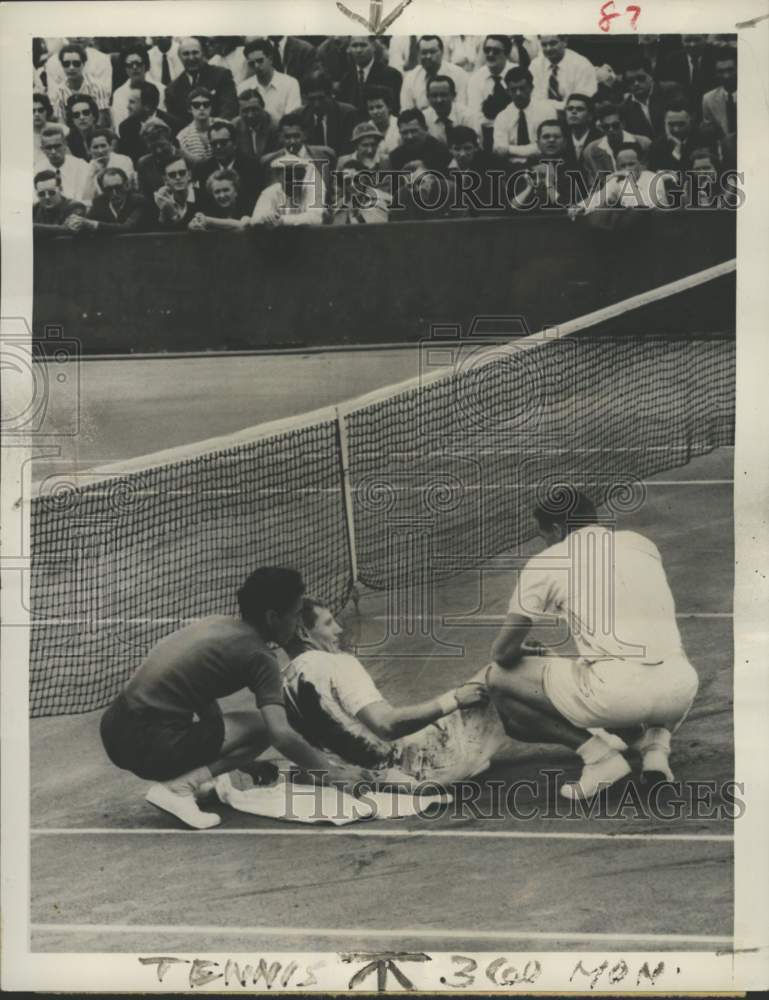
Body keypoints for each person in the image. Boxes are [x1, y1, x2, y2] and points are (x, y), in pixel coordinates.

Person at [100, 568, 361, 829]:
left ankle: (194, 780)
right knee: (264, 726)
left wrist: (244, 763)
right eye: (294, 616)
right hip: (149, 744)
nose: (296, 625)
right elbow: (280, 733)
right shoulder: (259, 656)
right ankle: (179, 788)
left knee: (252, 727)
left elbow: (199, 695)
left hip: (116, 731)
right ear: (272, 617)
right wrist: (331, 773)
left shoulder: (219, 625)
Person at [487, 488, 698, 799]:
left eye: (544, 535)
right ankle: (655, 751)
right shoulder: (643, 545)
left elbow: (502, 653)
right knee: (663, 644)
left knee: (498, 677)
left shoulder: (545, 562)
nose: (544, 542)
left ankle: (600, 759)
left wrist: (529, 655)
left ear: (557, 530)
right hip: (680, 690)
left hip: (615, 695)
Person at [283, 598, 505, 785]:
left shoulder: (282, 682)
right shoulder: (337, 664)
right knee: (498, 673)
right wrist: (454, 700)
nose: (338, 629)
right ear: (304, 632)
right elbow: (386, 726)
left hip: (360, 778)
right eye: (328, 623)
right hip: (421, 767)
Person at [570, 142, 670, 217]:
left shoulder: (653, 178)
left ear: (640, 164)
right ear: (617, 167)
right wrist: (579, 207)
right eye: (623, 166)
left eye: (631, 164)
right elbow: (597, 199)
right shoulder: (617, 180)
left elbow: (644, 206)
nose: (627, 169)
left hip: (657, 227)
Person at [492, 66, 559, 167]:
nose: (518, 93)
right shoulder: (502, 117)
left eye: (522, 88)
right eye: (513, 90)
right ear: (507, 91)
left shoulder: (547, 110)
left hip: (542, 164)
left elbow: (545, 148)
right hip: (511, 168)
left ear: (531, 88)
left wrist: (509, 149)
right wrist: (532, 149)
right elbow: (500, 150)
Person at [165, 36, 238, 124]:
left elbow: (229, 109)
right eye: (186, 54)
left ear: (203, 54)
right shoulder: (172, 89)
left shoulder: (221, 75)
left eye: (195, 53)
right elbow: (175, 122)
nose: (191, 58)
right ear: (179, 57)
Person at [193, 119, 261, 210]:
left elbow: (254, 199)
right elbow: (205, 202)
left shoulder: (252, 166)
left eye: (223, 142)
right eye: (214, 143)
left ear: (235, 143)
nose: (218, 147)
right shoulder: (204, 169)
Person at [447, 125, 510, 217]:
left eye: (467, 148)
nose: (462, 154)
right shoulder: (444, 171)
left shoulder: (488, 173)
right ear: (450, 150)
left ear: (476, 148)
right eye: (457, 148)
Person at [582, 103, 651, 185]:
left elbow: (649, 177)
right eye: (606, 127)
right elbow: (593, 186)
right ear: (600, 127)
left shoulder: (643, 144)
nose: (611, 130)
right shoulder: (591, 151)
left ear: (623, 124)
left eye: (615, 125)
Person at [466, 35, 518, 145]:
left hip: (516, 128)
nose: (490, 54)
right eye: (487, 50)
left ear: (507, 54)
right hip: (488, 133)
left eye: (496, 51)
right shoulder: (476, 79)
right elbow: (476, 116)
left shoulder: (518, 72)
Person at [237, 39, 303, 125]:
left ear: (270, 59)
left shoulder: (290, 84)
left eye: (260, 61)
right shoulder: (243, 87)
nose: (256, 66)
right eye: (252, 63)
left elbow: (292, 118)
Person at [251, 154, 325, 227]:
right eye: (289, 177)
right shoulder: (270, 192)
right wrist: (266, 218)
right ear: (278, 177)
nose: (295, 181)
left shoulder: (310, 190)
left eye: (299, 176)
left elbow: (316, 218)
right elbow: (255, 219)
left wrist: (282, 220)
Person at [297, 70, 360, 156]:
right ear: (304, 98)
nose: (316, 104)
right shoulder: (299, 116)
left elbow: (348, 152)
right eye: (311, 99)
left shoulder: (347, 114)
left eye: (321, 98)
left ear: (331, 95)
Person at [400, 35, 469, 111]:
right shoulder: (410, 78)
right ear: (418, 55)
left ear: (442, 52)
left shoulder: (459, 75)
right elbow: (406, 111)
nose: (428, 56)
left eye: (432, 52)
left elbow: (462, 109)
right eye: (424, 53)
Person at [49, 43, 111, 126]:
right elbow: (62, 124)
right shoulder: (59, 92)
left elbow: (102, 121)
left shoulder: (97, 87)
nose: (71, 68)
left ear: (84, 64)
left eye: (76, 63)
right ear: (62, 66)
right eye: (66, 64)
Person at [337, 36, 402, 115]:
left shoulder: (391, 75)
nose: (359, 50)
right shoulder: (346, 79)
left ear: (373, 47)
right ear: (349, 49)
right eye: (354, 46)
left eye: (363, 45)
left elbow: (395, 108)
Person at [73, 167, 149, 233]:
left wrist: (94, 224)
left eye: (118, 187)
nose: (114, 193)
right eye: (108, 189)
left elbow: (128, 227)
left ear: (126, 185)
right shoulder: (99, 202)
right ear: (102, 189)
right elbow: (86, 224)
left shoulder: (139, 201)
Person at [529, 35, 597, 109]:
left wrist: (547, 105)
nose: (548, 49)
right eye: (544, 45)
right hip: (543, 114)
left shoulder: (582, 65)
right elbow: (534, 100)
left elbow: (580, 102)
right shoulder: (535, 65)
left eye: (553, 43)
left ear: (565, 42)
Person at [117, 81, 177, 165]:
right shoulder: (125, 127)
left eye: (132, 102)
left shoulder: (173, 124)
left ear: (147, 107)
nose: (128, 106)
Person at [112, 46, 166, 130]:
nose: (134, 67)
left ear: (146, 65)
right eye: (129, 65)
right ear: (125, 68)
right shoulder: (118, 94)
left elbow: (164, 117)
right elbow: (119, 125)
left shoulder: (161, 89)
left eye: (138, 63)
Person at [620, 55, 670, 140]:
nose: (636, 83)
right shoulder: (625, 108)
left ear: (651, 75)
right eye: (631, 81)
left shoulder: (668, 92)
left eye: (641, 78)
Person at [38, 124, 91, 203]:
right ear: (42, 149)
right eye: (49, 148)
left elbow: (87, 197)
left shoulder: (81, 166)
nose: (53, 152)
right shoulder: (38, 169)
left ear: (65, 144)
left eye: (57, 146)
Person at [327, 159, 391, 224]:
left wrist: (358, 215)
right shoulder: (338, 207)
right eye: (348, 181)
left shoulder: (385, 200)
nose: (352, 186)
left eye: (356, 180)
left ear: (365, 179)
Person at [388, 108, 452, 173]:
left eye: (414, 131)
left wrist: (426, 170)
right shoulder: (395, 156)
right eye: (405, 132)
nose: (409, 136)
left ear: (425, 129)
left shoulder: (441, 153)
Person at [152, 152, 203, 230]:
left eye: (182, 173)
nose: (178, 177)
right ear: (165, 180)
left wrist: (174, 216)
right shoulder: (161, 201)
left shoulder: (204, 196)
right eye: (172, 175)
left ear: (189, 175)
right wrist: (163, 213)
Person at [82, 128, 136, 202]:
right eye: (95, 147)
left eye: (103, 146)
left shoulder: (124, 160)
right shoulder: (88, 168)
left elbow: (125, 188)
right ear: (89, 150)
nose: (100, 151)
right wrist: (91, 174)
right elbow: (86, 199)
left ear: (110, 146)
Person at [423, 75, 476, 145]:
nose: (439, 100)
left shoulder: (467, 116)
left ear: (453, 95)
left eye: (443, 95)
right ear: (428, 97)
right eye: (434, 95)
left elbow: (474, 147)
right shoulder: (424, 118)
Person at [232, 88, 279, 165]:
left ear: (263, 107)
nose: (250, 115)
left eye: (254, 109)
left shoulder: (274, 126)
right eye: (245, 111)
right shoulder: (234, 126)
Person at [32, 169, 86, 236]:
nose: (47, 197)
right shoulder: (35, 209)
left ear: (60, 189)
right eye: (42, 194)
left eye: (51, 192)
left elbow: (70, 231)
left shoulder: (75, 207)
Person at [563, 93, 601, 179]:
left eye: (579, 109)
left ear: (590, 116)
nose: (573, 112)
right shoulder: (561, 137)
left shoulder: (599, 139)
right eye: (570, 109)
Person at [701, 49, 737, 140]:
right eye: (721, 71)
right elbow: (709, 132)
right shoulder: (709, 99)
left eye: (730, 70)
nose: (726, 76)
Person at [176, 87, 215, 163]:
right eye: (196, 105)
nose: (201, 108)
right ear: (189, 109)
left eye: (206, 104)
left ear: (211, 107)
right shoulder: (183, 136)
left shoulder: (223, 126)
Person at [365, 85, 401, 154]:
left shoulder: (399, 125)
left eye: (379, 107)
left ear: (389, 107)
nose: (375, 112)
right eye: (371, 108)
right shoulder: (366, 129)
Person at [64, 94, 99, 160]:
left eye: (86, 113)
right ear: (72, 119)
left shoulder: (107, 135)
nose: (81, 117)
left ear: (94, 115)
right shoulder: (68, 141)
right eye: (76, 115)